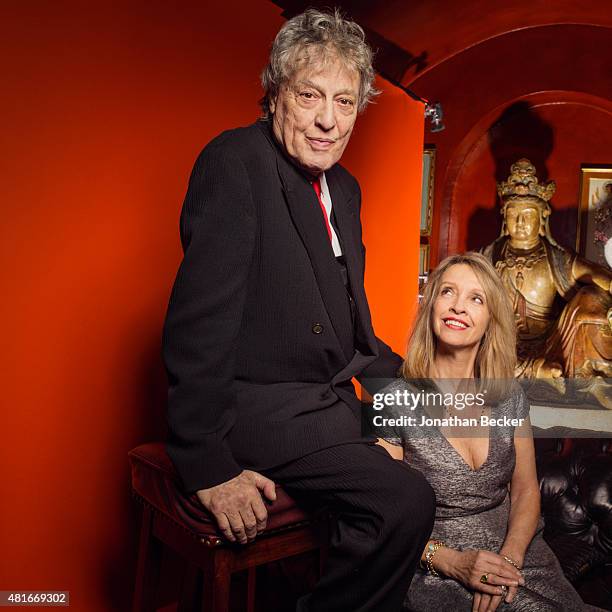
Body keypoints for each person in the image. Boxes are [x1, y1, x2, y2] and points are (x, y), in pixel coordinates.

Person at [162, 9, 435, 611]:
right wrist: (206, 464)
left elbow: (351, 325)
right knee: (405, 503)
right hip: (264, 405)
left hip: (328, 397)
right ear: (275, 94)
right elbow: (196, 327)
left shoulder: (345, 188)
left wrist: (412, 394)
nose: (327, 121)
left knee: (461, 434)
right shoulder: (235, 161)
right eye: (309, 95)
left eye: (344, 101)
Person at [377, 252, 602, 611]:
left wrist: (509, 559)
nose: (458, 307)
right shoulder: (392, 401)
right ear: (431, 305)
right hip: (436, 570)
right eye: (447, 292)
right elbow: (379, 517)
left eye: (475, 298)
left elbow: (526, 490)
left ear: (490, 320)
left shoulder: (509, 397)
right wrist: (453, 563)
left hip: (520, 555)